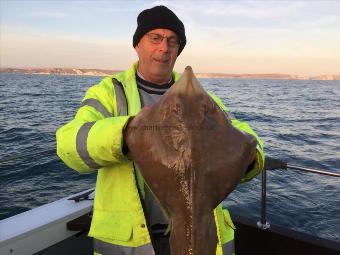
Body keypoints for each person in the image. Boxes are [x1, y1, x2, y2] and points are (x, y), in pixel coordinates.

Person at [56, 5, 264, 255]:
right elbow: (69, 144)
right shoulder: (109, 92)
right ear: (137, 45)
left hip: (201, 233)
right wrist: (125, 132)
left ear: (178, 50)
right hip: (132, 242)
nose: (164, 48)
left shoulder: (204, 101)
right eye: (155, 38)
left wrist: (250, 158)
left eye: (172, 41)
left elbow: (249, 140)